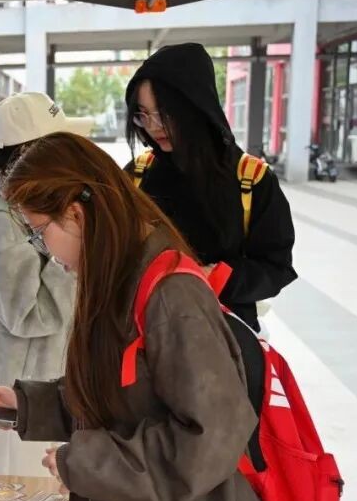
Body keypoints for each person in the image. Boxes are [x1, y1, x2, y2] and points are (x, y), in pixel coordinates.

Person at [0, 132, 279, 501]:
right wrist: (31, 403)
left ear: (76, 214)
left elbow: (210, 437)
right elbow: (124, 399)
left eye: (41, 233)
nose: (45, 251)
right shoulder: (124, 278)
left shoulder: (169, 293)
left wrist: (82, 461)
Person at [124, 42, 296, 332]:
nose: (152, 126)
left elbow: (276, 267)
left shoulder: (251, 179)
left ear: (195, 107)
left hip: (223, 336)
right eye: (143, 114)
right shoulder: (137, 175)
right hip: (148, 332)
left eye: (163, 113)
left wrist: (215, 276)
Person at [0, 92, 76, 476]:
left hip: (44, 395)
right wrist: (71, 260)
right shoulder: (0, 223)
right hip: (15, 402)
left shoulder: (33, 209)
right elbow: (29, 313)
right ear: (28, 154)